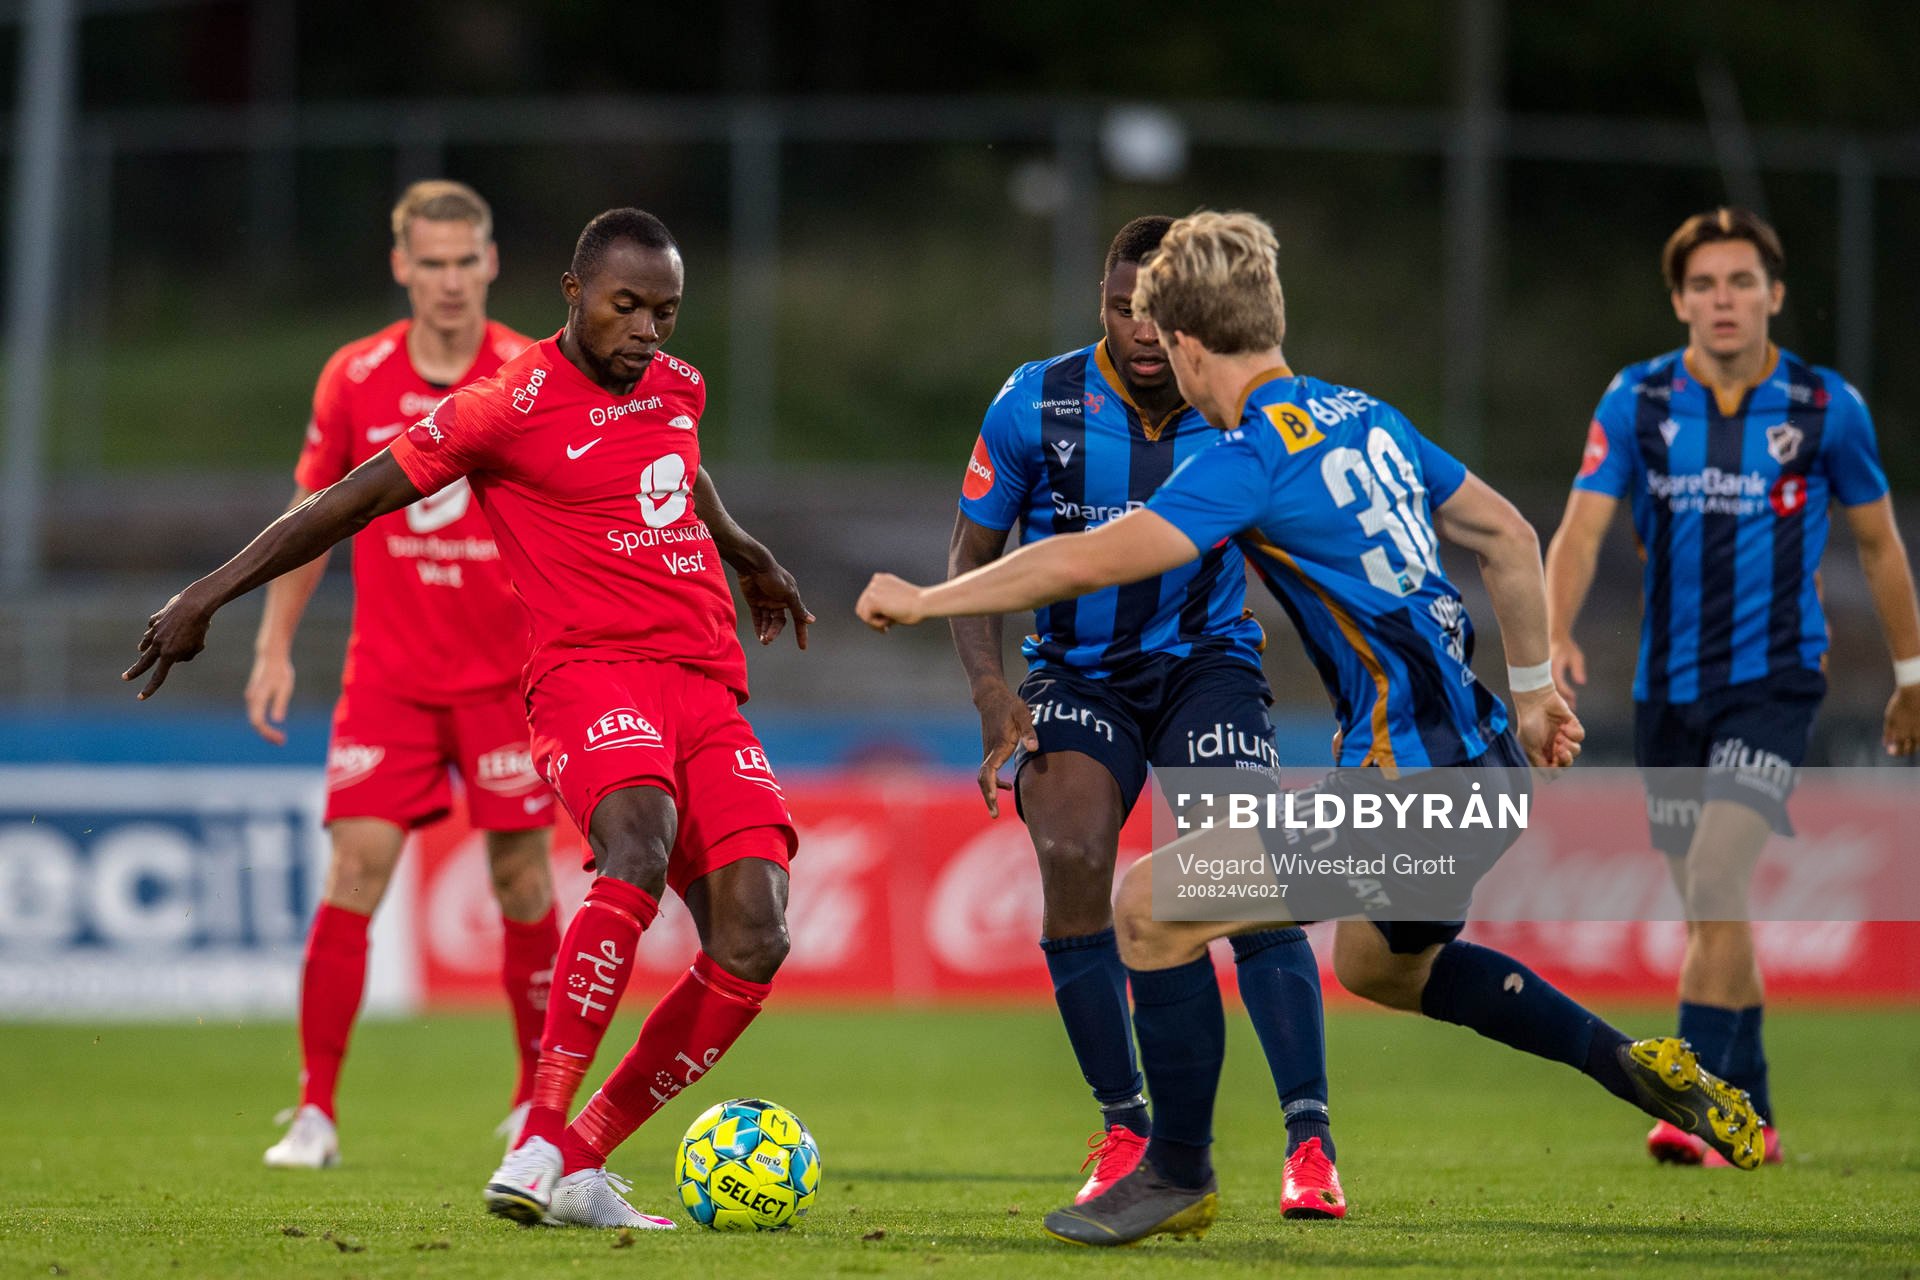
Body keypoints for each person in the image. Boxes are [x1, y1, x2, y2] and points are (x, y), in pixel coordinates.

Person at [858, 210, 1765, 1247]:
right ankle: (1628, 1062)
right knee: (1383, 969)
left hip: (1412, 792)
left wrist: (930, 600)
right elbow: (1509, 535)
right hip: (1484, 771)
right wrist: (1531, 693)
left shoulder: (1248, 459)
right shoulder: (1368, 416)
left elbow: (1088, 559)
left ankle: (1175, 1170)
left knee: (1151, 905)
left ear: (1192, 344)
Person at [127, 207, 813, 1231]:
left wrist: (747, 549)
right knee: (634, 842)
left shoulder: (675, 383)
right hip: (587, 676)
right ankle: (530, 1133)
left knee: (755, 937)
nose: (648, 333)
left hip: (704, 684)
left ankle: (581, 1156)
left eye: (666, 312)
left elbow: (681, 467)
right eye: (628, 307)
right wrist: (204, 598)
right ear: (574, 293)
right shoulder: (507, 404)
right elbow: (346, 499)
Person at [950, 215, 1340, 1215]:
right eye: (1119, 308)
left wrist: (1360, 693)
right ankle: (1127, 1129)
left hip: (1206, 663)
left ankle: (1310, 1140)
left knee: (1240, 869)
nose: (1136, 327)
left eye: (1154, 312)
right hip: (1078, 674)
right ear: (1100, 305)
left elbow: (1308, 562)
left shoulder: (1249, 414)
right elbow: (972, 557)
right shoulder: (1033, 404)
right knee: (1074, 854)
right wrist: (993, 691)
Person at [1543, 207, 1920, 1167]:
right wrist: (1547, 638)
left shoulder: (1825, 407)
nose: (1724, 300)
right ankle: (1756, 1111)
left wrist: (1912, 674)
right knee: (1713, 905)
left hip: (1775, 684)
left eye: (1742, 282)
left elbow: (1878, 544)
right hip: (1666, 692)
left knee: (1714, 878)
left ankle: (1695, 1100)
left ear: (1774, 295)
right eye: (1705, 284)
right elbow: (1582, 531)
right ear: (1679, 300)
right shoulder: (1637, 400)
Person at [251, 181, 558, 1171]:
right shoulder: (355, 376)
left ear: (492, 262)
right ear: (402, 267)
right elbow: (312, 520)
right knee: (355, 870)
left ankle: (531, 1101)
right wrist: (270, 644)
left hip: (507, 681)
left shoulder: (528, 371)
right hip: (388, 677)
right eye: (432, 263)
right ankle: (313, 1111)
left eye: (466, 261)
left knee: (521, 878)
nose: (450, 282)